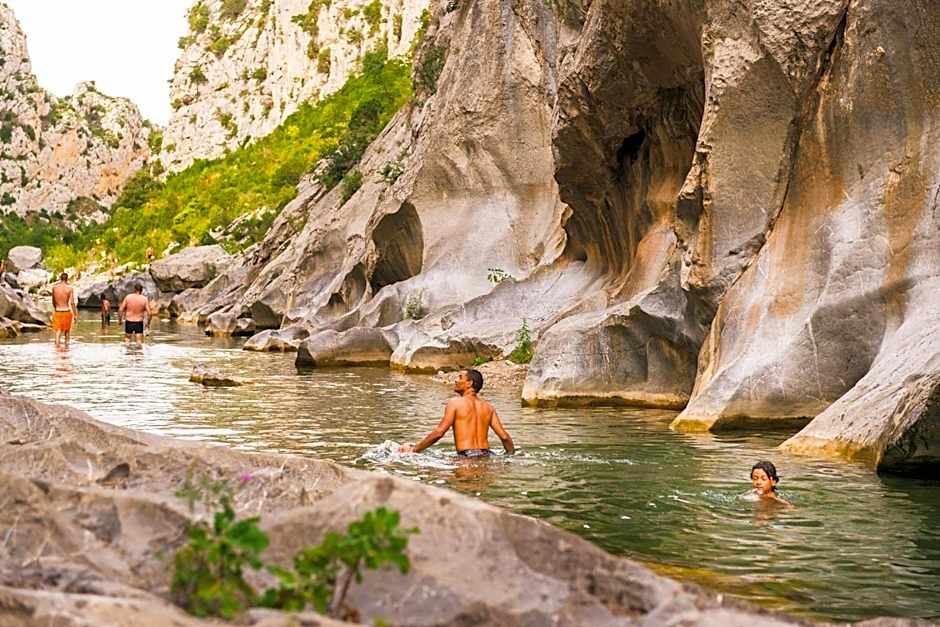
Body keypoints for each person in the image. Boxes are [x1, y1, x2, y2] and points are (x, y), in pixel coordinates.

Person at [400, 368, 515, 457]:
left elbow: (439, 432)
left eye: (460, 377)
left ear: (470, 383)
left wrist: (414, 450)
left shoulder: (454, 403)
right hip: (486, 455)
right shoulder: (488, 407)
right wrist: (509, 457)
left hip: (465, 458)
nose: (456, 380)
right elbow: (504, 437)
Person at [51, 272, 77, 348]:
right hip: (67, 312)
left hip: (58, 311)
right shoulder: (70, 288)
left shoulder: (54, 288)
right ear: (67, 279)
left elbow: (53, 301)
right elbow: (72, 303)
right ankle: (66, 349)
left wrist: (55, 308)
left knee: (58, 331)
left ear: (60, 278)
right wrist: (75, 315)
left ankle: (57, 348)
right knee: (67, 332)